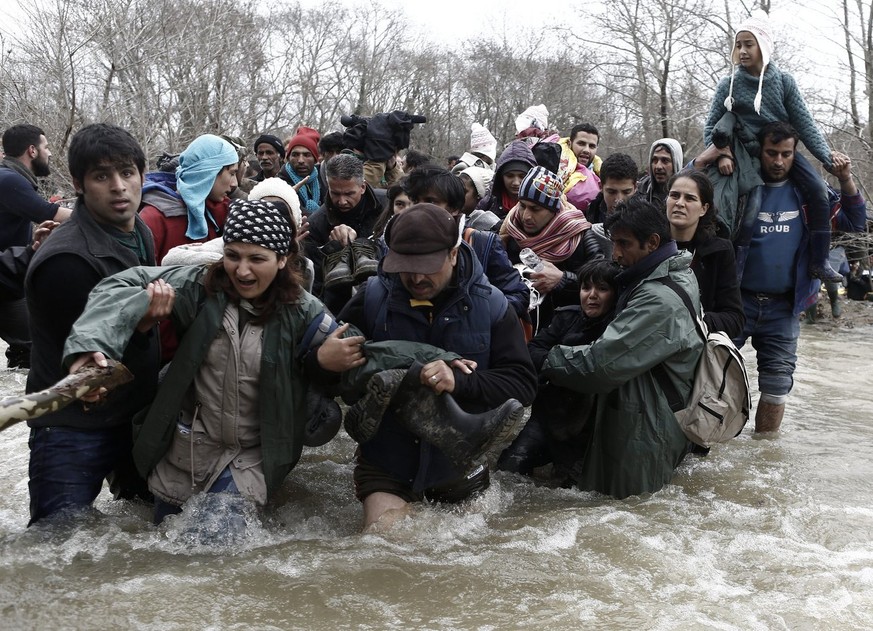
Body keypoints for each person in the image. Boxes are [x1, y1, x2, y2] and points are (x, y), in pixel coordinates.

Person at [62, 199, 364, 524]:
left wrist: (324, 362)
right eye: (233, 255)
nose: (242, 270)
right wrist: (89, 349)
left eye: (256, 259)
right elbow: (118, 287)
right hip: (185, 453)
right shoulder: (199, 289)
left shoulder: (306, 313)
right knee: (168, 553)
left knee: (212, 550)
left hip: (250, 460)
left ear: (282, 259)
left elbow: (357, 372)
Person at [335, 204, 537, 529]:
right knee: (385, 544)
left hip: (460, 465)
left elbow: (523, 385)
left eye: (427, 267)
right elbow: (333, 375)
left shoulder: (493, 305)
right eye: (406, 267)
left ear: (454, 254)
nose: (416, 278)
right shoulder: (372, 298)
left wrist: (459, 382)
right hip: (389, 464)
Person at [23, 123, 160, 525]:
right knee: (58, 546)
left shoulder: (141, 232)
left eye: (127, 172)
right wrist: (142, 326)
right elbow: (87, 369)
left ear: (141, 175)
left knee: (146, 534)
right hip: (71, 426)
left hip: (131, 415)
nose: (119, 187)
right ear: (80, 185)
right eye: (102, 176)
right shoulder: (67, 261)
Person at [539, 196, 704, 498]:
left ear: (652, 242)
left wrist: (546, 358)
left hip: (643, 433)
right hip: (650, 417)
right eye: (613, 242)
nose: (615, 254)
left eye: (624, 244)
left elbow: (600, 366)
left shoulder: (658, 299)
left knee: (625, 513)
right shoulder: (673, 273)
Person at [732, 121, 866, 433]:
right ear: (760, 151)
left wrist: (845, 179)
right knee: (709, 371)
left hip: (785, 307)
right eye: (771, 153)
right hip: (736, 302)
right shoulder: (740, 188)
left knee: (777, 386)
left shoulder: (811, 196)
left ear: (795, 154)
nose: (778, 161)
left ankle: (763, 455)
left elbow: (855, 221)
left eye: (786, 154)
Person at [702, 14, 848, 282]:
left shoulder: (784, 81)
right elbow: (709, 128)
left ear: (764, 46)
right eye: (739, 45)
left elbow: (805, 124)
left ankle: (820, 261)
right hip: (745, 155)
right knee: (752, 204)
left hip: (781, 149)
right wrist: (722, 153)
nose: (743, 51)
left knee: (817, 189)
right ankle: (736, 268)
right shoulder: (728, 84)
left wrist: (828, 159)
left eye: (749, 44)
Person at [498, 259, 620, 477]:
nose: (592, 295)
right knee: (508, 468)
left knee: (573, 486)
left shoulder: (617, 328)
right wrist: (560, 363)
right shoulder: (566, 316)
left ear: (615, 294)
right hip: (548, 416)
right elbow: (533, 351)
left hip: (589, 428)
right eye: (586, 288)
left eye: (602, 289)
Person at [403, 164, 530, 321]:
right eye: (415, 201)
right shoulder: (396, 245)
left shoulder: (483, 244)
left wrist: (475, 315)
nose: (420, 209)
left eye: (431, 201)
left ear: (454, 208)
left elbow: (518, 295)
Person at [0, 124, 72, 368]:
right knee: (37, 345)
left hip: (10, 274)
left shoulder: (10, 178)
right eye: (46, 147)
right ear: (32, 150)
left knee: (28, 348)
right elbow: (46, 212)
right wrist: (99, 213)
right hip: (5, 278)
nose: (50, 153)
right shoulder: (8, 179)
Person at [501, 166, 603, 332]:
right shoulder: (508, 233)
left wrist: (563, 280)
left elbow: (601, 283)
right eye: (522, 206)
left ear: (554, 211)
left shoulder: (579, 235)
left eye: (535, 209)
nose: (526, 216)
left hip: (563, 330)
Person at [665, 170, 744, 338]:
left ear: (704, 208)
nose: (679, 203)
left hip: (696, 346)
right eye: (674, 195)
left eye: (690, 198)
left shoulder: (719, 251)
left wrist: (693, 322)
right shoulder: (649, 245)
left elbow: (734, 318)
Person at [304, 154, 384, 315]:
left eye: (349, 194)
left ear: (362, 187)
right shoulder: (316, 225)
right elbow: (317, 288)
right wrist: (333, 250)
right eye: (335, 193)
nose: (342, 201)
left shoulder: (387, 206)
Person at [140, 134, 239, 263]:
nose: (234, 183)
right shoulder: (153, 218)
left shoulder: (221, 212)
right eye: (231, 173)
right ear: (208, 173)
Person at [476, 140, 537, 224]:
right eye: (510, 176)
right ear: (501, 177)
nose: (516, 182)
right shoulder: (489, 202)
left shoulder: (541, 202)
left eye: (522, 176)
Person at [280, 126, 324, 215]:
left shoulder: (323, 181)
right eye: (295, 155)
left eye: (307, 155)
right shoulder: (280, 184)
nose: (300, 160)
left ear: (315, 159)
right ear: (288, 158)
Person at [557, 124, 601, 212]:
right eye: (581, 144)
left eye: (592, 146)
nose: (586, 150)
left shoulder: (600, 174)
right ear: (570, 143)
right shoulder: (554, 164)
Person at [636, 138, 683, 207]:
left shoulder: (686, 194)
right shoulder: (640, 190)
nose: (658, 166)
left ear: (676, 163)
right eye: (654, 160)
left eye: (665, 160)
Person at [457, 167, 500, 231]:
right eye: (456, 189)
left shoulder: (490, 222)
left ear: (478, 195)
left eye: (464, 191)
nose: (457, 194)